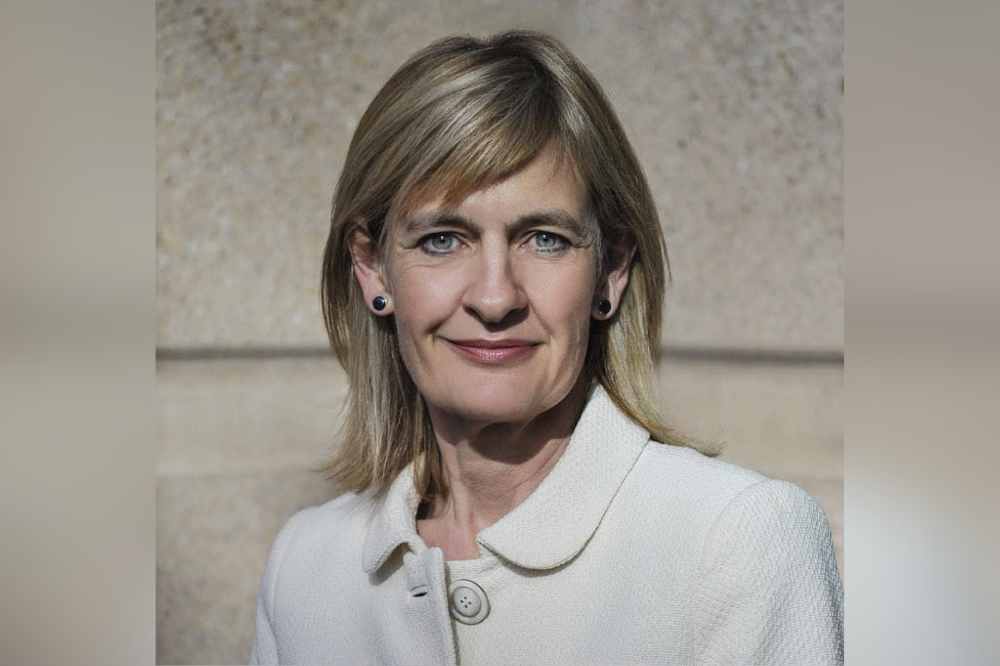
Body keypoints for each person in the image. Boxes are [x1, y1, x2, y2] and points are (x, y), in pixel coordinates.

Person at [249, 30, 843, 665]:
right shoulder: (306, 567)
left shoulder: (737, 542)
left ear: (610, 271)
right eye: (443, 240)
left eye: (545, 239)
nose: (495, 298)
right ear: (372, 269)